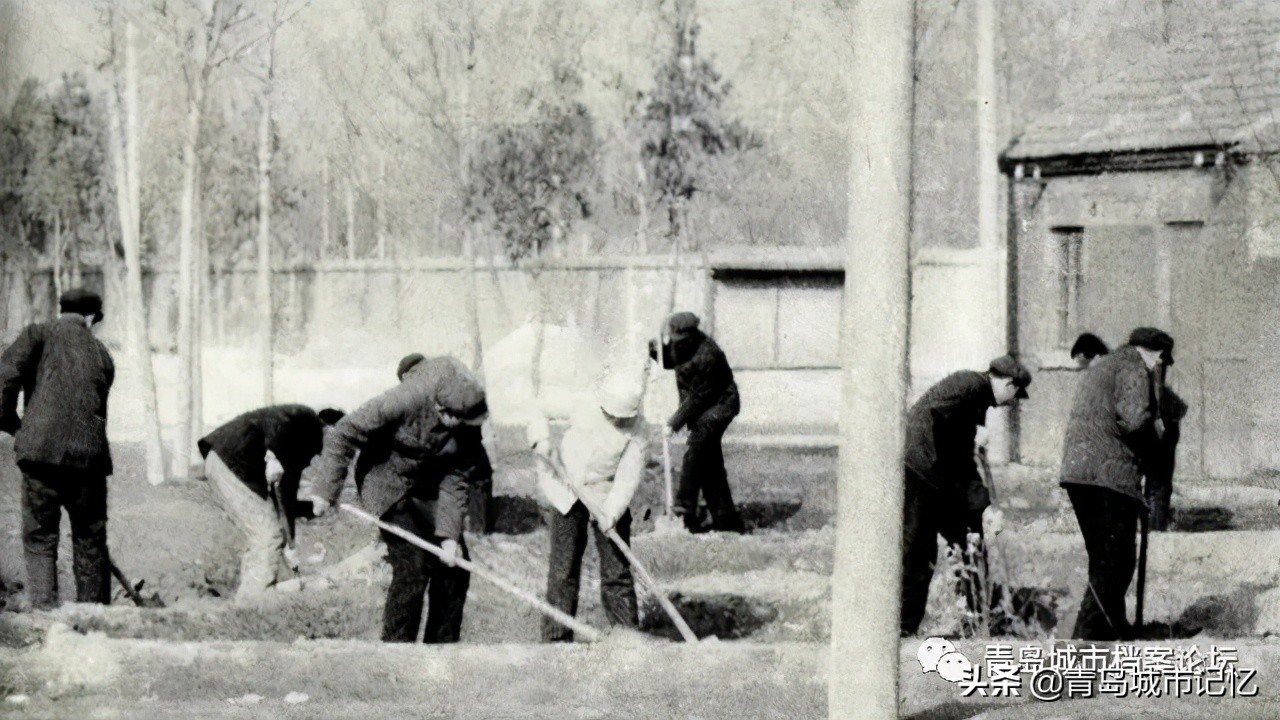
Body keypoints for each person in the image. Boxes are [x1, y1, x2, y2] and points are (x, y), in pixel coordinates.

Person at [301, 355, 489, 643]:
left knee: (454, 570)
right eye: (458, 421)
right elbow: (343, 433)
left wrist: (450, 535)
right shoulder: (404, 399)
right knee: (412, 564)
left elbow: (458, 475)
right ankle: (396, 654)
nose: (463, 428)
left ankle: (441, 658)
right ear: (441, 408)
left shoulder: (469, 411)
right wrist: (325, 490)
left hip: (429, 484)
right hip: (385, 478)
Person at [899, 355, 1032, 637]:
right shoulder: (971, 385)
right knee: (919, 552)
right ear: (1009, 384)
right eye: (1015, 395)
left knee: (969, 538)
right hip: (924, 473)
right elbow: (931, 418)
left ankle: (976, 617)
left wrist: (981, 504)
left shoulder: (975, 394)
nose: (1010, 403)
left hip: (934, 475)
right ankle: (902, 629)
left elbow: (961, 456)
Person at [0, 289, 114, 610]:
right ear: (91, 318)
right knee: (90, 542)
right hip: (89, 462)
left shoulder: (37, 334)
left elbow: (3, 378)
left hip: (40, 458)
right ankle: (93, 621)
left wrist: (14, 426)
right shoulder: (102, 353)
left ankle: (43, 615)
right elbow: (97, 412)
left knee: (40, 538)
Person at [1059, 327, 1173, 640]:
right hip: (1108, 477)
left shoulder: (1107, 365)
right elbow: (1134, 419)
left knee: (1109, 559)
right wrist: (1156, 438)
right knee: (1115, 561)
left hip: (1080, 474)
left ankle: (1112, 629)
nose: (1160, 367)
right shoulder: (1134, 367)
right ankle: (1084, 639)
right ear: (1154, 354)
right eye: (1162, 360)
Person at [530, 373, 648, 642]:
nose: (617, 421)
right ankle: (556, 641)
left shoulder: (640, 429)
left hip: (606, 493)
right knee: (563, 569)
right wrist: (540, 439)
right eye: (611, 415)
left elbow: (628, 476)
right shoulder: (580, 400)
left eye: (623, 417)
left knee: (616, 571)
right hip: (566, 487)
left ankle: (627, 640)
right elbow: (538, 409)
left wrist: (612, 513)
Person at [197, 404, 345, 601]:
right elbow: (277, 423)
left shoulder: (301, 444)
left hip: (225, 463)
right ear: (331, 428)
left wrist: (295, 537)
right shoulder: (307, 420)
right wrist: (274, 454)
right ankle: (251, 606)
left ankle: (250, 599)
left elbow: (285, 497)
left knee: (266, 533)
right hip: (232, 462)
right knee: (268, 536)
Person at [651, 311, 743, 533]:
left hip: (719, 407)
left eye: (680, 341)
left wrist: (674, 423)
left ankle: (683, 508)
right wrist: (653, 350)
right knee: (710, 466)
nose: (677, 345)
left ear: (692, 335)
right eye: (674, 341)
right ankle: (726, 523)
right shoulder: (679, 345)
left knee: (696, 451)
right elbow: (668, 360)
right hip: (699, 408)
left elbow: (698, 398)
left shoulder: (709, 354)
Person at [397, 353, 495, 535]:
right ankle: (477, 528)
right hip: (460, 430)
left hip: (454, 433)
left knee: (471, 471)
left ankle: (475, 528)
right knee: (475, 471)